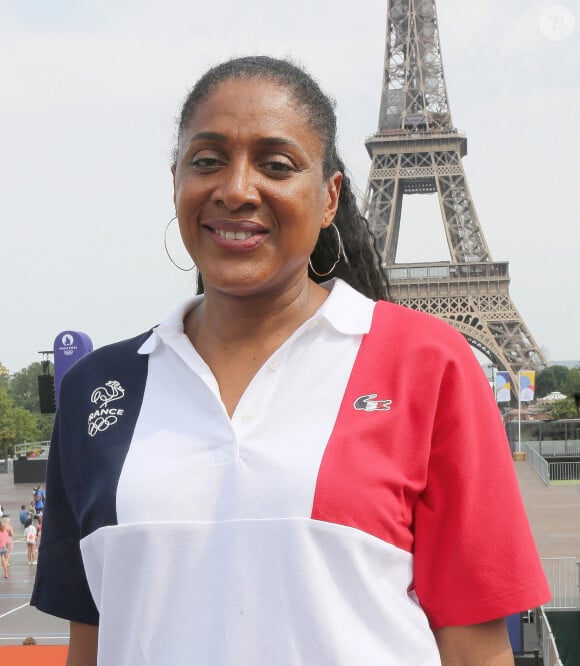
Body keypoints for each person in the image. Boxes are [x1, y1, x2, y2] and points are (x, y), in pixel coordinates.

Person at [31, 56, 550, 665]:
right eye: (207, 161)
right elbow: (90, 644)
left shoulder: (429, 365)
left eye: (277, 165)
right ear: (175, 180)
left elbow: (475, 650)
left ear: (330, 196)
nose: (237, 189)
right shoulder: (100, 388)